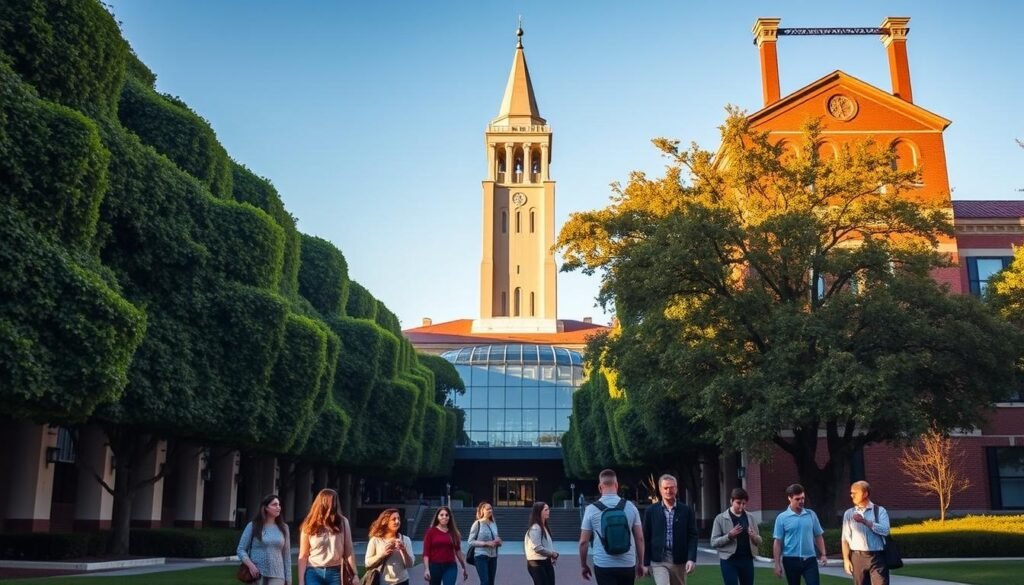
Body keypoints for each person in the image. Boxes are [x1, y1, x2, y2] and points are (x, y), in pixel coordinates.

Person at [579, 468, 645, 585]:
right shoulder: (631, 507)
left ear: (600, 487)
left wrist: (584, 565)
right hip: (627, 563)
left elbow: (583, 542)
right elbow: (639, 538)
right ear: (617, 485)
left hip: (603, 563)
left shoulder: (591, 510)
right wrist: (641, 563)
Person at [643, 474, 698, 585]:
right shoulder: (651, 511)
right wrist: (645, 563)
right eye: (666, 488)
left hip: (679, 560)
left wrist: (691, 558)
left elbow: (692, 536)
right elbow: (646, 537)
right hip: (658, 560)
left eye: (672, 487)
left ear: (676, 488)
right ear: (660, 489)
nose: (669, 490)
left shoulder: (686, 510)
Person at [297, 489, 357, 585]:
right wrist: (301, 581)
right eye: (331, 502)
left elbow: (349, 551)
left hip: (335, 571)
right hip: (313, 571)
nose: (334, 505)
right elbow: (303, 555)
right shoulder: (309, 524)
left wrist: (355, 575)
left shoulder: (342, 522)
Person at [772, 484, 827, 585]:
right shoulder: (782, 518)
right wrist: (777, 564)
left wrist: (823, 554)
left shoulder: (811, 515)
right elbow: (777, 542)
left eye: (803, 498)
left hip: (810, 560)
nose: (801, 501)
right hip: (790, 560)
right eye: (797, 499)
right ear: (790, 498)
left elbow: (818, 535)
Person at [841, 481, 891, 585]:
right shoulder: (849, 513)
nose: (852, 495)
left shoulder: (879, 511)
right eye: (851, 493)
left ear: (865, 494)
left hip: (877, 556)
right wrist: (846, 560)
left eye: (855, 493)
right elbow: (845, 539)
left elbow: (885, 530)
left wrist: (865, 522)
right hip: (858, 557)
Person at [711, 488, 762, 585]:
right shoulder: (720, 518)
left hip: (747, 559)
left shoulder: (750, 517)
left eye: (744, 504)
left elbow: (759, 541)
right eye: (738, 503)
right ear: (731, 501)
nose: (741, 507)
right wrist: (729, 536)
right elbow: (713, 542)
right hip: (729, 560)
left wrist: (754, 536)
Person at [238, 494, 292, 585]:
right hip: (257, 574)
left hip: (278, 575)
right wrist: (250, 566)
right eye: (274, 505)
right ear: (266, 508)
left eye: (279, 505)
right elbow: (241, 549)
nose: (278, 507)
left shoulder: (284, 528)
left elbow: (286, 556)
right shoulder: (253, 526)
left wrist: (288, 579)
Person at [366, 508, 415, 585]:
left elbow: (410, 565)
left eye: (398, 519)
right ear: (385, 522)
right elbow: (367, 563)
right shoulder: (375, 540)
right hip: (382, 582)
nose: (397, 521)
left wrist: (403, 550)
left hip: (402, 581)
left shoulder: (405, 540)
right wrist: (382, 554)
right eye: (393, 519)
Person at [423, 506, 469, 585]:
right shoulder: (431, 532)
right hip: (434, 566)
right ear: (437, 517)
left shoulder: (454, 532)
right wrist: (427, 569)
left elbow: (458, 551)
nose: (444, 517)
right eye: (441, 515)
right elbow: (426, 553)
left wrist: (464, 567)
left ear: (449, 517)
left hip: (450, 566)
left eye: (447, 515)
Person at [525, 501, 559, 585]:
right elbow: (537, 548)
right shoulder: (536, 528)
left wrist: (550, 556)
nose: (548, 511)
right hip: (537, 562)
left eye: (548, 509)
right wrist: (552, 554)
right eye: (546, 510)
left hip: (545, 561)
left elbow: (546, 545)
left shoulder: (543, 527)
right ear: (539, 512)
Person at [468, 501, 502, 585]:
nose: (490, 511)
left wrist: (498, 541)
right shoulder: (477, 524)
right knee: (485, 582)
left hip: (493, 556)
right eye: (487, 509)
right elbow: (470, 541)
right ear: (482, 511)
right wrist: (485, 543)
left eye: (491, 509)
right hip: (480, 556)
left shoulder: (493, 523)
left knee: (491, 582)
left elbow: (496, 537)